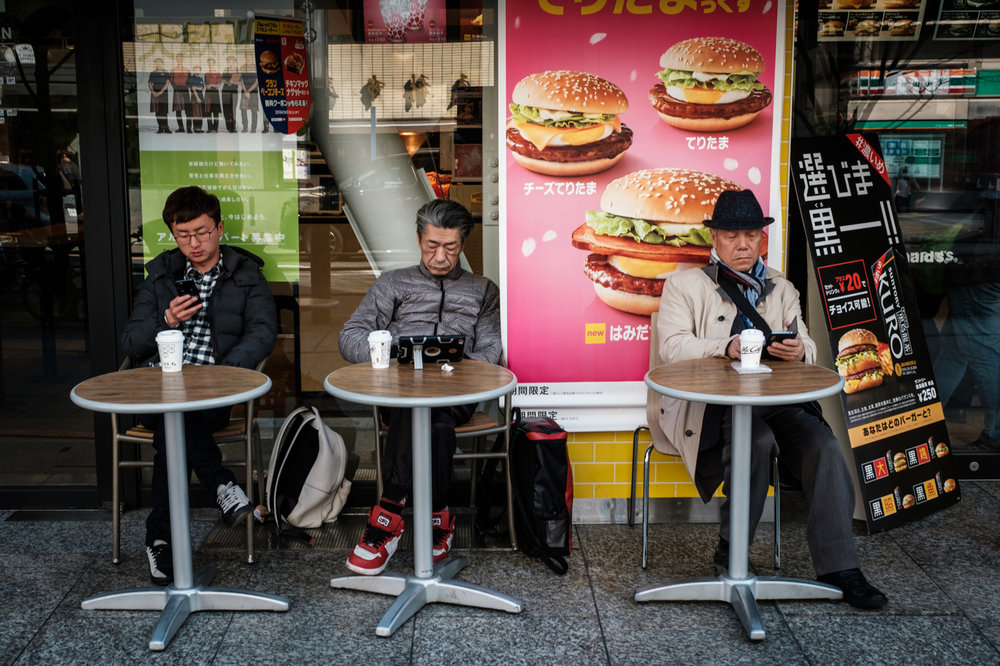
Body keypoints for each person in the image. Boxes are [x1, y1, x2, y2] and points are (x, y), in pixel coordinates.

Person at [655, 189, 888, 610]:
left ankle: (841, 566)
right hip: (711, 405)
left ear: (762, 238)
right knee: (755, 441)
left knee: (824, 446)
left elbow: (809, 347)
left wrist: (800, 351)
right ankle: (731, 551)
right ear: (714, 239)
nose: (742, 244)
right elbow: (672, 347)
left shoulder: (780, 286)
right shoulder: (684, 284)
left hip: (775, 399)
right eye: (731, 235)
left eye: (750, 235)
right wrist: (725, 347)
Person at [121, 186, 277, 585]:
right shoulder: (160, 276)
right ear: (173, 233)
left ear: (220, 227)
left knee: (173, 432)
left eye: (203, 232)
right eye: (184, 235)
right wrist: (167, 321)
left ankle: (159, 540)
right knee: (172, 419)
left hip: (216, 392)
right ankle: (223, 486)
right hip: (159, 388)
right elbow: (129, 342)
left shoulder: (246, 275)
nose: (194, 243)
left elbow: (262, 334)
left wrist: (223, 377)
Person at [338, 199, 501, 575]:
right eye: (432, 246)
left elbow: (492, 348)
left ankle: (386, 519)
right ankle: (437, 519)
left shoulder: (482, 290)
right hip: (399, 391)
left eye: (451, 247)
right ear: (418, 239)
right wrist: (391, 351)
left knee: (433, 415)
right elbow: (350, 337)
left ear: (464, 244)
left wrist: (461, 366)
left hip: (455, 392)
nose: (441, 257)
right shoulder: (393, 283)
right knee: (429, 420)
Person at [147, 57, 171, 134]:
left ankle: (166, 128)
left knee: (164, 111)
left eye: (159, 62)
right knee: (157, 111)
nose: (158, 64)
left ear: (162, 63)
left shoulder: (166, 72)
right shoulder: (153, 73)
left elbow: (167, 83)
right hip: (155, 93)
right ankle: (160, 128)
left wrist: (160, 92)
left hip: (163, 93)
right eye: (156, 62)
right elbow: (150, 83)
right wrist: (153, 91)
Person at [169, 53, 190, 133]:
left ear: (183, 59)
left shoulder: (187, 70)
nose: (179, 60)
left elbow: (190, 80)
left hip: (185, 91)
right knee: (178, 110)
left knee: (188, 110)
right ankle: (181, 128)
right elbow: (171, 80)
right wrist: (176, 87)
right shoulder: (173, 70)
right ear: (176, 59)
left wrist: (186, 87)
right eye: (178, 58)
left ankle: (188, 128)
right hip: (177, 90)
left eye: (181, 58)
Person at [222, 56, 241, 133]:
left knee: (233, 110)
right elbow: (222, 79)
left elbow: (241, 82)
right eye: (228, 61)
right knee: (226, 109)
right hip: (225, 91)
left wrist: (233, 82)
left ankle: (233, 127)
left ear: (234, 62)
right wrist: (227, 82)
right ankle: (228, 127)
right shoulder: (225, 70)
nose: (229, 63)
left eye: (231, 61)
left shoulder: (237, 71)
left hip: (234, 92)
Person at [204, 57, 222, 133]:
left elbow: (218, 85)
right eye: (209, 63)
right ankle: (210, 128)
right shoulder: (206, 74)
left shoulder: (218, 73)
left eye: (211, 63)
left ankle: (215, 128)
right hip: (208, 93)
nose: (210, 64)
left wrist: (211, 85)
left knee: (216, 112)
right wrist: (210, 85)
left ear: (214, 64)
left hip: (215, 93)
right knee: (208, 112)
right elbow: (206, 86)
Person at [186, 65, 205, 133]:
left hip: (201, 97)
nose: (197, 71)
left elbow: (202, 88)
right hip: (194, 97)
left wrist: (196, 87)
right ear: (194, 71)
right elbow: (193, 89)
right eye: (196, 70)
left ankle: (199, 128)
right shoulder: (190, 79)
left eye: (198, 70)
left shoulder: (200, 79)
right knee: (195, 113)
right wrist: (197, 98)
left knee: (200, 113)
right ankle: (195, 128)